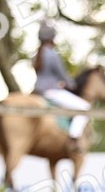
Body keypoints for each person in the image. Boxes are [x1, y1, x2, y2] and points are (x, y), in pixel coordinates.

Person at [31, 21, 89, 153]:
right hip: (51, 91)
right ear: (52, 38)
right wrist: (71, 84)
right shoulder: (52, 54)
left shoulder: (36, 55)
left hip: (37, 90)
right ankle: (74, 137)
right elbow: (61, 74)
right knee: (85, 108)